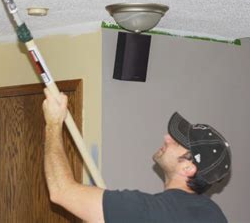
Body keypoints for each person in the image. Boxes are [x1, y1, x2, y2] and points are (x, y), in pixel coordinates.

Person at [42, 88, 232, 223]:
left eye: (177, 142)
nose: (167, 138)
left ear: (188, 168)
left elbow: (62, 192)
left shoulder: (148, 211)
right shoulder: (213, 214)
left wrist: (53, 124)